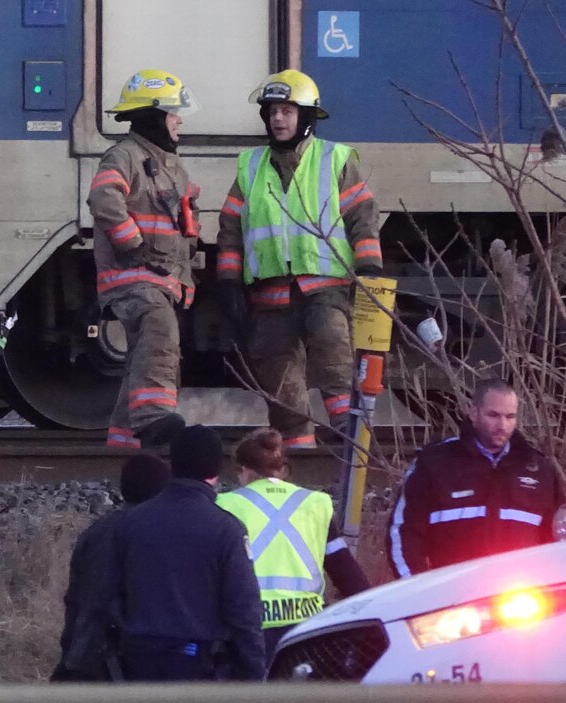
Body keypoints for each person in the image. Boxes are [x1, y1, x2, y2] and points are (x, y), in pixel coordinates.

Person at [215, 69, 382, 449]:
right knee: (278, 379)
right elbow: (230, 229)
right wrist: (228, 283)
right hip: (270, 293)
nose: (278, 118)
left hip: (326, 287)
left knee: (336, 361)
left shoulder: (335, 159)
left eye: (288, 111)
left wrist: (369, 268)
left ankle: (350, 445)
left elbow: (362, 217)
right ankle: (298, 458)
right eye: (273, 111)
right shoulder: (250, 166)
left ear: (306, 117)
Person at [88, 69, 202, 449]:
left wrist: (184, 282)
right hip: (133, 276)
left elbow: (184, 232)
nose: (179, 120)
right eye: (173, 113)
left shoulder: (172, 166)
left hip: (159, 279)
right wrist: (132, 242)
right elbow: (104, 200)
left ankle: (124, 441)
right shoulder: (124, 156)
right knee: (160, 332)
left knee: (141, 356)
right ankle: (153, 419)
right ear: (154, 116)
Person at [112, 425, 265, 681]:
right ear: (216, 470)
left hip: (138, 663)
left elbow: (110, 596)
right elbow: (243, 611)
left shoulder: (131, 522)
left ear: (173, 464)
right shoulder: (226, 529)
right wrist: (253, 675)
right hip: (198, 668)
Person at [216, 428, 370, 660]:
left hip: (250, 626)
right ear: (283, 469)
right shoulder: (316, 503)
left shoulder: (226, 504)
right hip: (305, 629)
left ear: (243, 470)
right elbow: (345, 569)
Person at [388, 379, 564, 578]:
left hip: (522, 600)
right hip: (453, 597)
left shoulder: (540, 470)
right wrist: (417, 590)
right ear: (472, 412)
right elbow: (403, 533)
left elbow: (558, 541)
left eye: (510, 416)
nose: (502, 425)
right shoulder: (434, 464)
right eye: (493, 415)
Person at [53, 454, 172, 682]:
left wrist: (69, 654)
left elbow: (75, 600)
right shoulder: (153, 534)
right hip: (119, 662)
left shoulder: (96, 531)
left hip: (83, 656)